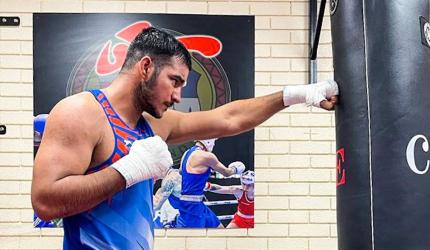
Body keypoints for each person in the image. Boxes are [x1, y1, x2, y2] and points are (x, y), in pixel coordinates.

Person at [31, 26, 338, 249]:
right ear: (146, 67)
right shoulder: (81, 112)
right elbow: (45, 202)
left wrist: (296, 95)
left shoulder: (152, 124)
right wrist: (127, 171)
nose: (178, 96)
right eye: (174, 81)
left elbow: (229, 119)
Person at [167, 139, 244, 228]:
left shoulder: (187, 153)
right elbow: (226, 173)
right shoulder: (207, 156)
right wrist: (235, 168)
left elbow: (181, 172)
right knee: (196, 239)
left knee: (220, 228)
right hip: (191, 207)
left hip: (197, 204)